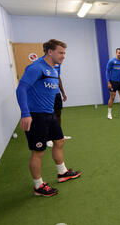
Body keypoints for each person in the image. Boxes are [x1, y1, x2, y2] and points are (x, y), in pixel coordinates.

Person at [16, 39, 82, 197]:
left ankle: (62, 173)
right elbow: (21, 89)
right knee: (38, 151)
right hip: (36, 116)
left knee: (59, 141)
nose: (63, 56)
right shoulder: (36, 67)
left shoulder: (54, 69)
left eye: (64, 53)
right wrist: (25, 113)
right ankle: (38, 186)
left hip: (49, 114)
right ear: (50, 52)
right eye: (60, 52)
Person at [46, 62, 71, 148]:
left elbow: (58, 78)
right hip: (47, 94)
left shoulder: (57, 65)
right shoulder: (42, 64)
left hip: (56, 93)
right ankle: (48, 138)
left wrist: (63, 92)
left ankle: (58, 135)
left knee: (58, 114)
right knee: (48, 115)